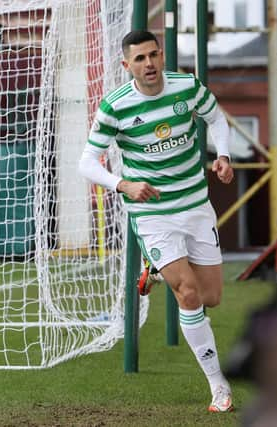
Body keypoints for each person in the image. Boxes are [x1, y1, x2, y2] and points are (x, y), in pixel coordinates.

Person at [78, 30, 235, 413]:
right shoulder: (115, 107)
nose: (148, 64)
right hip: (153, 213)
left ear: (161, 55)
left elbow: (217, 119)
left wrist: (224, 156)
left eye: (153, 55)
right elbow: (85, 162)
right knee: (190, 294)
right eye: (139, 59)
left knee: (212, 296)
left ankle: (156, 267)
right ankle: (219, 387)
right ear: (126, 65)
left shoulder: (187, 88)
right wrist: (123, 184)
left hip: (196, 204)